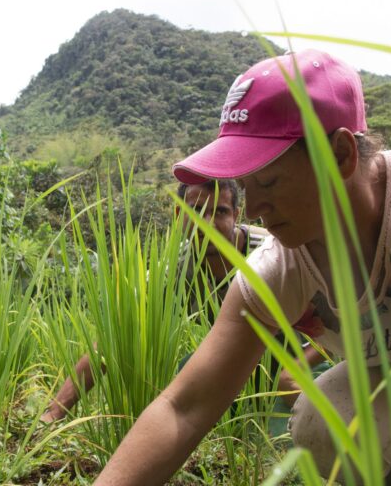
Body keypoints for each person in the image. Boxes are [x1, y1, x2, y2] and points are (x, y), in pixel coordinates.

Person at [94, 49, 391, 484]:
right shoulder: (275, 269)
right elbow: (184, 408)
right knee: (326, 414)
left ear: (341, 154)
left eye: (269, 181)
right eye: (245, 186)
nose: (252, 210)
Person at [40, 179, 273, 423]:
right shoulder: (174, 269)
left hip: (288, 362)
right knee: (189, 369)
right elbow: (115, 337)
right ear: (178, 214)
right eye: (196, 210)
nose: (206, 223)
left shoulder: (271, 251)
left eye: (220, 211)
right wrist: (56, 411)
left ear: (236, 214)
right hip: (232, 366)